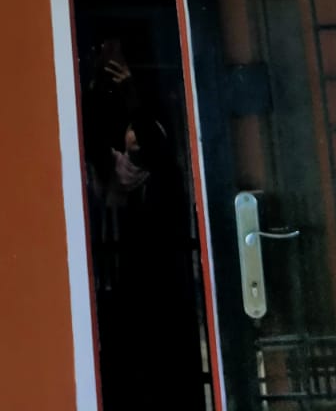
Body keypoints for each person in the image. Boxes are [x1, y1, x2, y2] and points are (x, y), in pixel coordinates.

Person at [82, 38, 205, 408]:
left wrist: (131, 90)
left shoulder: (160, 173)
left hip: (156, 286)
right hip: (113, 285)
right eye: (130, 128)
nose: (134, 134)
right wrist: (96, 83)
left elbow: (152, 143)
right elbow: (90, 135)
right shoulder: (106, 172)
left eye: (141, 128)